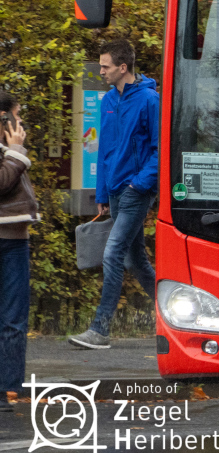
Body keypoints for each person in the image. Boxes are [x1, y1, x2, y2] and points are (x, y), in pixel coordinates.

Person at [69, 40, 160, 350]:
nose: (101, 70)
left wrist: (139, 184)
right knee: (136, 261)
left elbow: (160, 150)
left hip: (136, 191)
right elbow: (104, 150)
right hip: (116, 191)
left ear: (123, 67)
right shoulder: (108, 100)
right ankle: (175, 318)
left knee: (112, 253)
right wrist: (102, 192)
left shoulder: (149, 100)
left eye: (105, 66)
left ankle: (100, 329)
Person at [0, 91, 38, 411]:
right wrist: (15, 152)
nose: (20, 120)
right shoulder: (12, 151)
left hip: (15, 239)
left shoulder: (9, 149)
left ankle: (8, 388)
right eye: (16, 114)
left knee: (14, 319)